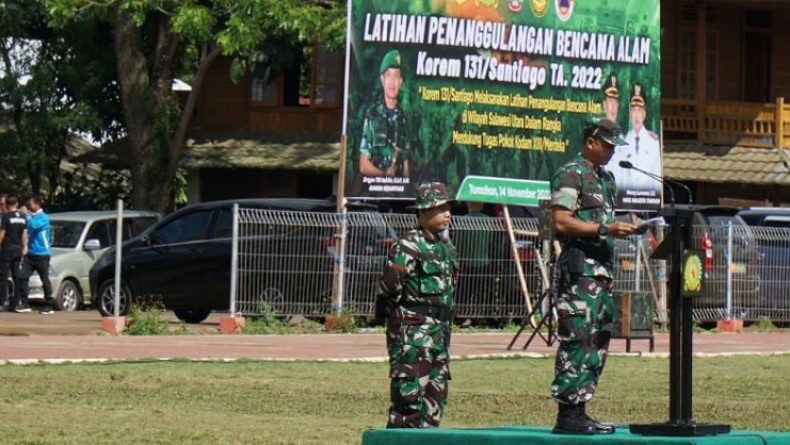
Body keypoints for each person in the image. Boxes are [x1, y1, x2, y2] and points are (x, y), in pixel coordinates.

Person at [548, 118, 641, 435]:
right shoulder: (570, 174)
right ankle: (568, 414)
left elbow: (605, 222)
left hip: (602, 273)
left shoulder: (605, 179)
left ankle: (580, 410)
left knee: (597, 340)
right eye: (608, 145)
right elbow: (561, 221)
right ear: (590, 142)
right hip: (579, 274)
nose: (613, 152)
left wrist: (624, 228)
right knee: (578, 339)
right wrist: (605, 229)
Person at [376, 182, 458, 428]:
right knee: (409, 403)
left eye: (448, 208)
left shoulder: (446, 248)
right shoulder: (408, 246)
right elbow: (389, 288)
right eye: (439, 208)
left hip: (439, 334)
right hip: (413, 334)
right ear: (422, 212)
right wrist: (397, 323)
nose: (447, 214)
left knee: (434, 403)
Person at [358, 49, 410, 179]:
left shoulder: (403, 118)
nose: (392, 81)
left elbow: (406, 165)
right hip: (374, 190)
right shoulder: (372, 114)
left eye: (396, 76)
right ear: (382, 80)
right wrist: (384, 175)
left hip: (398, 190)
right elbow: (363, 165)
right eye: (388, 75)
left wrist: (406, 186)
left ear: (400, 81)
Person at [608, 82, 662, 192]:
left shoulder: (653, 143)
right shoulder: (622, 142)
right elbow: (618, 177)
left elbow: (656, 180)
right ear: (630, 114)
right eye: (633, 111)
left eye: (639, 110)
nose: (636, 115)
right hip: (624, 198)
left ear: (644, 114)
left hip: (648, 198)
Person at [18, 195, 53, 314]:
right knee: (22, 277)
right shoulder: (31, 217)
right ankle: (25, 303)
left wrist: (26, 215)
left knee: (44, 279)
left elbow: (33, 226)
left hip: (42, 254)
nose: (28, 207)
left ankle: (49, 305)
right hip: (31, 254)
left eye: (30, 204)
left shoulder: (44, 217)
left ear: (37, 204)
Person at [454, 202, 491, 304]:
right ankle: (478, 308)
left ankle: (461, 308)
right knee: (480, 289)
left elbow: (458, 242)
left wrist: (457, 257)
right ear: (482, 206)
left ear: (468, 204)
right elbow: (491, 240)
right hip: (483, 260)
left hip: (466, 261)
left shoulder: (462, 220)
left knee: (464, 289)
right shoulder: (488, 220)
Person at [0, 196, 27, 312]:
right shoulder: (22, 217)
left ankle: (2, 302)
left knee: (3, 276)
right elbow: (24, 234)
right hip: (17, 249)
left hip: (6, 249)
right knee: (16, 276)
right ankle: (16, 303)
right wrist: (24, 247)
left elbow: (2, 234)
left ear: (6, 204)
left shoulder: (6, 217)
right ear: (17, 204)